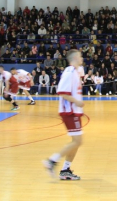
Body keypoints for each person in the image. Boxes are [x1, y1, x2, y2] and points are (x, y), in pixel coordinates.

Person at [43, 50, 85, 181]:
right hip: (69, 111)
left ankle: (65, 170)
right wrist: (77, 101)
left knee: (76, 142)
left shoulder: (75, 72)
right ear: (75, 58)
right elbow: (62, 92)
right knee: (78, 141)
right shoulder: (69, 72)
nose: (82, 58)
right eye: (80, 56)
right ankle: (52, 161)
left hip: (74, 111)